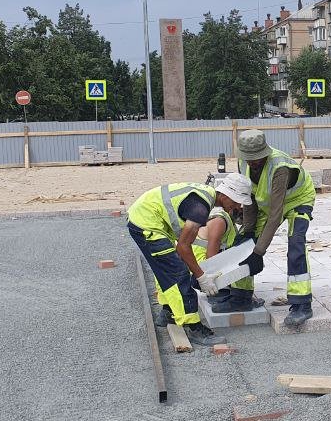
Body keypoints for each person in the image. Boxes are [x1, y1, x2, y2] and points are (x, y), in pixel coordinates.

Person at [127, 175, 253, 346]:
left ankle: (168, 312)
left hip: (145, 218)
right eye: (237, 201)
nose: (238, 206)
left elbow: (183, 244)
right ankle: (193, 327)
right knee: (178, 274)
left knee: (166, 269)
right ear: (225, 195)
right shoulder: (200, 208)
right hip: (147, 223)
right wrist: (201, 276)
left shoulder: (205, 198)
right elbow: (183, 246)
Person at [234, 129, 317, 327]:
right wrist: (249, 232)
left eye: (256, 158)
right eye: (248, 159)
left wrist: (258, 252)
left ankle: (302, 303)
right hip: (268, 204)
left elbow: (275, 215)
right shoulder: (243, 162)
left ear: (264, 153)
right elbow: (249, 199)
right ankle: (241, 296)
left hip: (297, 200)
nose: (252, 163)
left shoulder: (280, 168)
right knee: (244, 242)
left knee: (296, 243)